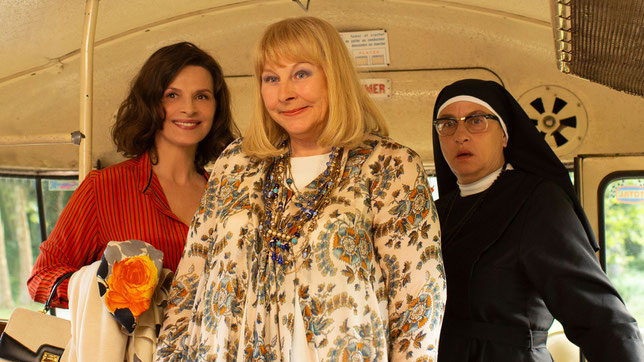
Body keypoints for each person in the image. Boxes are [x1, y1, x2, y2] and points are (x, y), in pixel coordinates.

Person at [157, 16, 445, 361]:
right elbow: (192, 278)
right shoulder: (235, 162)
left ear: (333, 75)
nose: (285, 93)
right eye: (271, 78)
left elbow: (417, 301)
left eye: (301, 74)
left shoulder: (389, 165)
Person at [27, 41, 238, 359]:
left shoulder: (227, 198)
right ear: (151, 103)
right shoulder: (104, 189)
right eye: (172, 95)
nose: (189, 109)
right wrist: (109, 286)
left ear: (215, 107)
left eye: (202, 96)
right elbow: (41, 278)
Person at [431, 78, 644, 361]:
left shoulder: (536, 201)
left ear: (505, 134)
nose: (460, 135)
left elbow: (598, 314)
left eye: (476, 121)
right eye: (447, 124)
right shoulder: (432, 213)